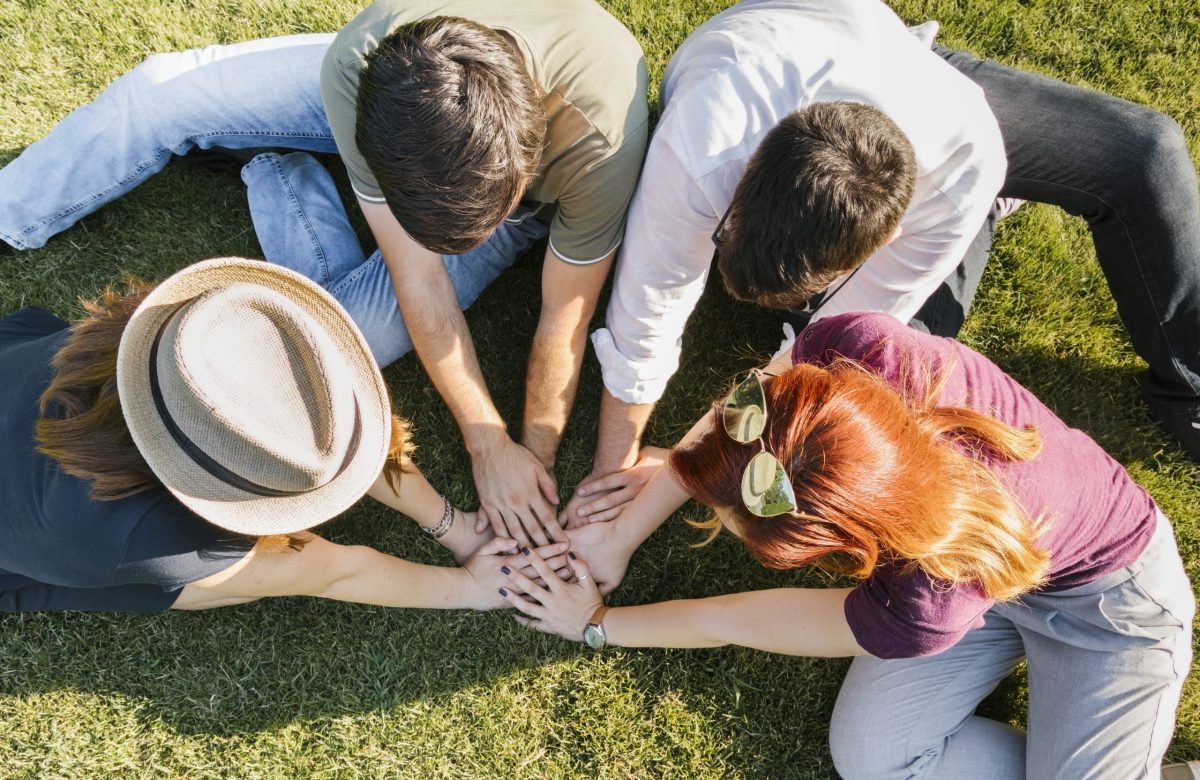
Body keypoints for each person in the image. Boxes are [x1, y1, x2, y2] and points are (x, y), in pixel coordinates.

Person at [0, 0, 650, 547]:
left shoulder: (601, 146)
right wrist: (484, 447)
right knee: (153, 96)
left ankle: (274, 167)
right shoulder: (366, 62)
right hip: (407, 106)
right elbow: (417, 278)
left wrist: (521, 454)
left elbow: (564, 320)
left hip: (504, 168)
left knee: (347, 342)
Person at [563, 0, 1200, 528]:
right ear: (750, 173)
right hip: (801, 53)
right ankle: (984, 217)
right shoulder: (705, 142)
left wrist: (682, 466)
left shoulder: (957, 170)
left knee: (1145, 152)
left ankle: (1189, 390)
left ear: (889, 233)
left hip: (934, 100)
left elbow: (825, 345)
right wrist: (611, 472)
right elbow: (651, 304)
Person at [511, 312, 1194, 780]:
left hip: (1107, 610)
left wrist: (598, 623)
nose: (708, 514)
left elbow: (736, 619)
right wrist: (638, 518)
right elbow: (750, 404)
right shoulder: (857, 346)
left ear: (837, 545)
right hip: (986, 574)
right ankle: (1086, 764)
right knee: (873, 760)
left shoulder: (922, 604)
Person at [0, 257, 568, 613]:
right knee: (205, 585)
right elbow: (331, 570)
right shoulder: (161, 540)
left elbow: (340, 436)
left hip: (19, 366)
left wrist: (455, 525)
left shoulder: (189, 337)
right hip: (33, 547)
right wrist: (469, 587)